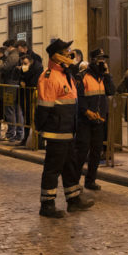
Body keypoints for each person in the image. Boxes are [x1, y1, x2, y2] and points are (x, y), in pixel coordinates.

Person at [35, 38, 93, 217]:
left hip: (68, 130)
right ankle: (47, 205)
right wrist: (42, 130)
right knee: (53, 168)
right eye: (66, 51)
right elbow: (44, 108)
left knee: (71, 166)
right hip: (56, 131)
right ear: (56, 55)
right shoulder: (49, 77)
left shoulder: (65, 74)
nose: (70, 54)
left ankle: (73, 199)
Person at [76, 47, 116, 189]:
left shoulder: (103, 77)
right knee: (81, 152)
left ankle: (90, 180)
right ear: (93, 60)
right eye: (100, 59)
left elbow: (111, 91)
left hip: (99, 121)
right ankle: (74, 183)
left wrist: (108, 75)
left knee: (96, 152)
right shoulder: (82, 76)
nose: (103, 62)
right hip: (85, 121)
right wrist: (87, 112)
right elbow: (79, 98)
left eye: (104, 59)